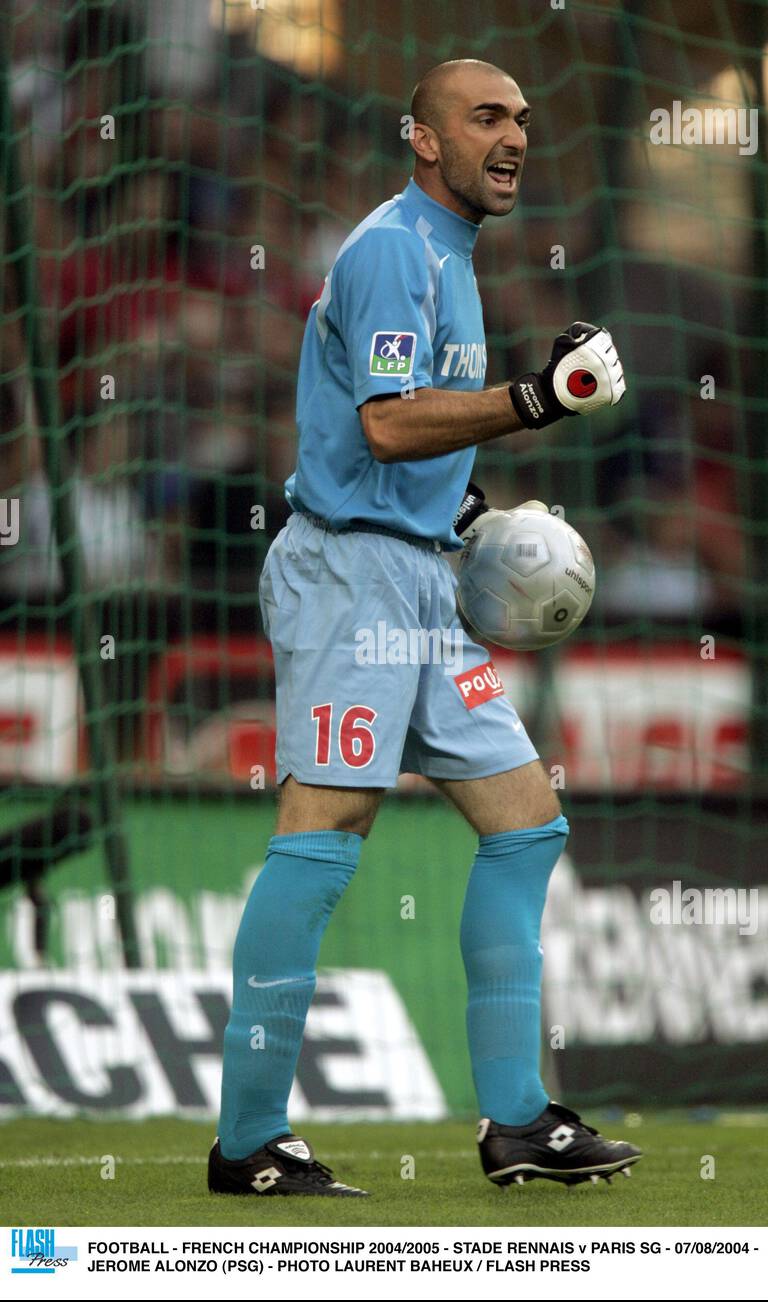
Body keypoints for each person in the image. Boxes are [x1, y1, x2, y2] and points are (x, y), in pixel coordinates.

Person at [209, 59, 640, 1198]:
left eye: (522, 120)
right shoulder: (398, 248)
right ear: (424, 139)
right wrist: (536, 399)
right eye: (486, 116)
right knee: (325, 828)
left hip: (419, 579)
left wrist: (478, 518)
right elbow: (389, 424)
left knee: (526, 820)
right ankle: (247, 1141)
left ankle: (517, 1124)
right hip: (349, 578)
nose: (512, 136)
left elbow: (413, 451)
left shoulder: (449, 256)